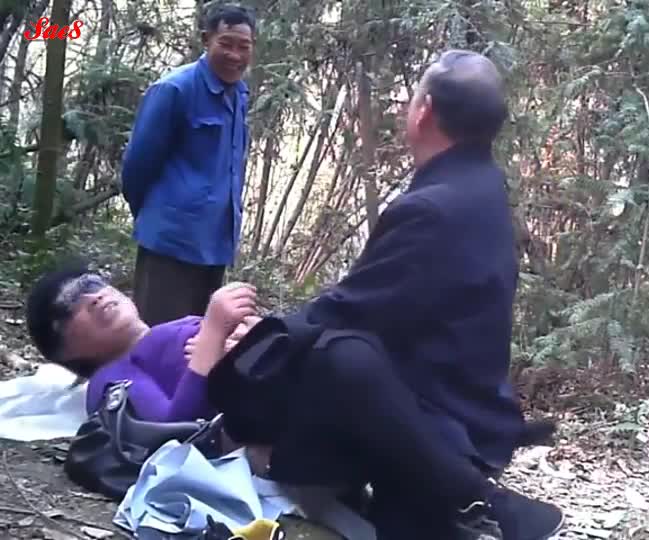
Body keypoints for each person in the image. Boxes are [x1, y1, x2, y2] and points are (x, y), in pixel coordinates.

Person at [210, 50, 565, 540]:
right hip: (459, 400)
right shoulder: (480, 185)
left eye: (412, 97)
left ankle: (475, 500)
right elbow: (384, 306)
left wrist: (259, 339)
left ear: (424, 112)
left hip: (442, 415)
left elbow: (350, 311)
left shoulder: (434, 207)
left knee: (338, 356)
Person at [120, 4, 256, 326]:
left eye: (244, 46)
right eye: (226, 43)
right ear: (206, 40)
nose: (235, 55)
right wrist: (160, 218)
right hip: (171, 243)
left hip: (215, 243)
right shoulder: (174, 89)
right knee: (159, 335)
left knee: (197, 339)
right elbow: (137, 167)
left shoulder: (238, 94)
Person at [25, 263, 259, 422]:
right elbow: (171, 432)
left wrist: (253, 334)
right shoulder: (112, 377)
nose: (93, 297)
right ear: (65, 351)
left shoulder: (179, 325)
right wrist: (212, 341)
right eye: (69, 305)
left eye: (90, 284)